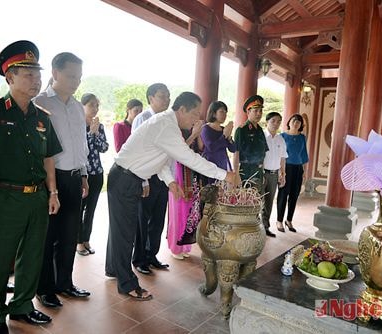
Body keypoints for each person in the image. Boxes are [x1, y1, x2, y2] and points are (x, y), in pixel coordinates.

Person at [105, 91, 239, 301]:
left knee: (121, 230)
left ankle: (114, 268)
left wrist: (170, 181)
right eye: (194, 113)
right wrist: (225, 175)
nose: (197, 119)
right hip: (125, 179)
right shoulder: (166, 126)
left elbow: (160, 156)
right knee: (125, 232)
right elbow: (189, 158)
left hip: (127, 177)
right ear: (182, 109)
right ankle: (127, 283)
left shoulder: (168, 124)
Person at [0, 40, 62, 333]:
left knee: (33, 256)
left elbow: (48, 157)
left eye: (37, 74)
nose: (35, 81)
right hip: (3, 197)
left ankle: (22, 306)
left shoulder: (42, 118)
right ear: (9, 77)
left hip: (36, 197)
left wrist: (52, 192)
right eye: (27, 74)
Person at [34, 52, 91, 309]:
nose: (75, 81)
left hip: (73, 178)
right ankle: (44, 289)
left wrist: (84, 174)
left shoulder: (78, 106)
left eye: (78, 77)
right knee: (47, 237)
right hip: (49, 180)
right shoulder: (40, 103)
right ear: (55, 73)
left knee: (69, 234)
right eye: (70, 76)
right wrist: (49, 186)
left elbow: (81, 144)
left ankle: (64, 283)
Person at [131, 83, 171, 275]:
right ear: (150, 98)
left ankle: (151, 254)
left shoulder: (166, 121)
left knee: (157, 219)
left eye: (168, 96)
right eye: (162, 96)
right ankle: (139, 259)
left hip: (163, 177)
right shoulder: (143, 118)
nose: (167, 99)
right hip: (147, 177)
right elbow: (138, 151)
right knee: (142, 220)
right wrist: (144, 180)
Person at [76, 93, 109, 256]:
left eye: (97, 105)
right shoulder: (77, 124)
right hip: (82, 174)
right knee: (79, 209)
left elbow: (104, 147)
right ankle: (78, 242)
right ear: (83, 106)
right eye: (91, 105)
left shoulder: (99, 126)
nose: (95, 109)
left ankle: (86, 239)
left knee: (92, 209)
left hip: (97, 173)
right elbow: (83, 149)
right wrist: (91, 133)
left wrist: (95, 132)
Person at [167, 121, 204, 260]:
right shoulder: (176, 130)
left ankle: (185, 245)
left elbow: (201, 148)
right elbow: (179, 151)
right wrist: (193, 134)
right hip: (178, 172)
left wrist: (198, 134)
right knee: (178, 210)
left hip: (192, 172)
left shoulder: (192, 129)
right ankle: (175, 247)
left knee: (190, 211)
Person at [276, 113, 309, 233]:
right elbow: (279, 155)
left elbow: (304, 155)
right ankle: (279, 221)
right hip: (286, 168)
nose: (296, 123)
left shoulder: (302, 137)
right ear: (289, 122)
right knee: (283, 194)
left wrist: (305, 172)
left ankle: (289, 220)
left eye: (299, 122)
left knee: (294, 196)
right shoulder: (282, 136)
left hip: (298, 168)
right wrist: (281, 171)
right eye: (294, 121)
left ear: (301, 125)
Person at [233, 95, 268, 194]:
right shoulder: (241, 130)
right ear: (248, 112)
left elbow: (263, 153)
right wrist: (236, 174)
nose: (259, 113)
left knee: (257, 201)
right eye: (255, 111)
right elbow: (236, 153)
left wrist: (263, 172)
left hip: (259, 170)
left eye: (260, 111)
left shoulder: (260, 130)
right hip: (246, 170)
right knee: (246, 201)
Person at [261, 112, 287, 237]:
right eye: (273, 121)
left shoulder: (280, 139)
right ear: (267, 122)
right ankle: (255, 228)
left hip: (274, 174)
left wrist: (283, 174)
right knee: (258, 201)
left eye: (279, 121)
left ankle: (265, 227)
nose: (276, 124)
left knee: (269, 202)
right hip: (261, 174)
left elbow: (283, 158)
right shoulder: (261, 136)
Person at [200, 101, 236, 185]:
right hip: (211, 166)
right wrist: (224, 136)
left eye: (225, 112)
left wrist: (229, 138)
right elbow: (211, 147)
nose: (224, 114)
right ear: (213, 113)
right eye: (221, 111)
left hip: (224, 164)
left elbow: (233, 149)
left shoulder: (224, 129)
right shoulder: (206, 128)